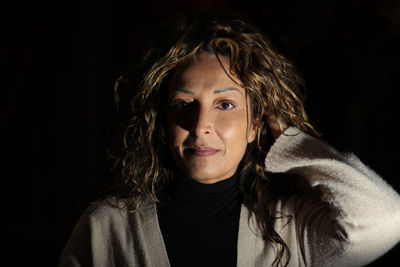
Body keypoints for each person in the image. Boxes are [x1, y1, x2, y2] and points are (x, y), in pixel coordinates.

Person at [58, 17, 400, 267]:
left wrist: (291, 141)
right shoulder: (108, 226)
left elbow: (387, 218)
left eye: (225, 105)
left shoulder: (292, 227)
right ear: (161, 120)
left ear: (256, 124)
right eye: (183, 105)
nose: (201, 125)